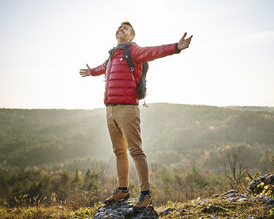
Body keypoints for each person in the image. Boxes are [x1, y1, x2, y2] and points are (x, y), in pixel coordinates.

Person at [80, 21, 192, 212]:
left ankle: (145, 194)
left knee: (135, 151)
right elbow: (102, 68)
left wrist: (176, 47)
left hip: (128, 109)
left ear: (131, 36)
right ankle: (123, 189)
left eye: (126, 29)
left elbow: (153, 52)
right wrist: (92, 72)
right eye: (119, 28)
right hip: (110, 110)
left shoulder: (133, 50)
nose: (121, 30)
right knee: (119, 152)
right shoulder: (112, 56)